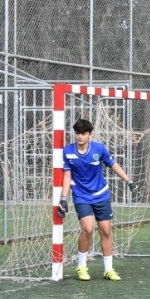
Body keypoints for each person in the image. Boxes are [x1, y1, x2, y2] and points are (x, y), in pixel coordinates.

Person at [57, 118, 137, 281]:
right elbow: (67, 176)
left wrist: (128, 181)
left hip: (101, 194)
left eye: (83, 134)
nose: (80, 136)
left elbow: (113, 165)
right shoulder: (67, 151)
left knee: (106, 230)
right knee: (88, 228)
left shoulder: (99, 149)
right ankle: (81, 267)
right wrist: (63, 198)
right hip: (81, 195)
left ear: (90, 135)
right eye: (77, 133)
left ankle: (108, 269)